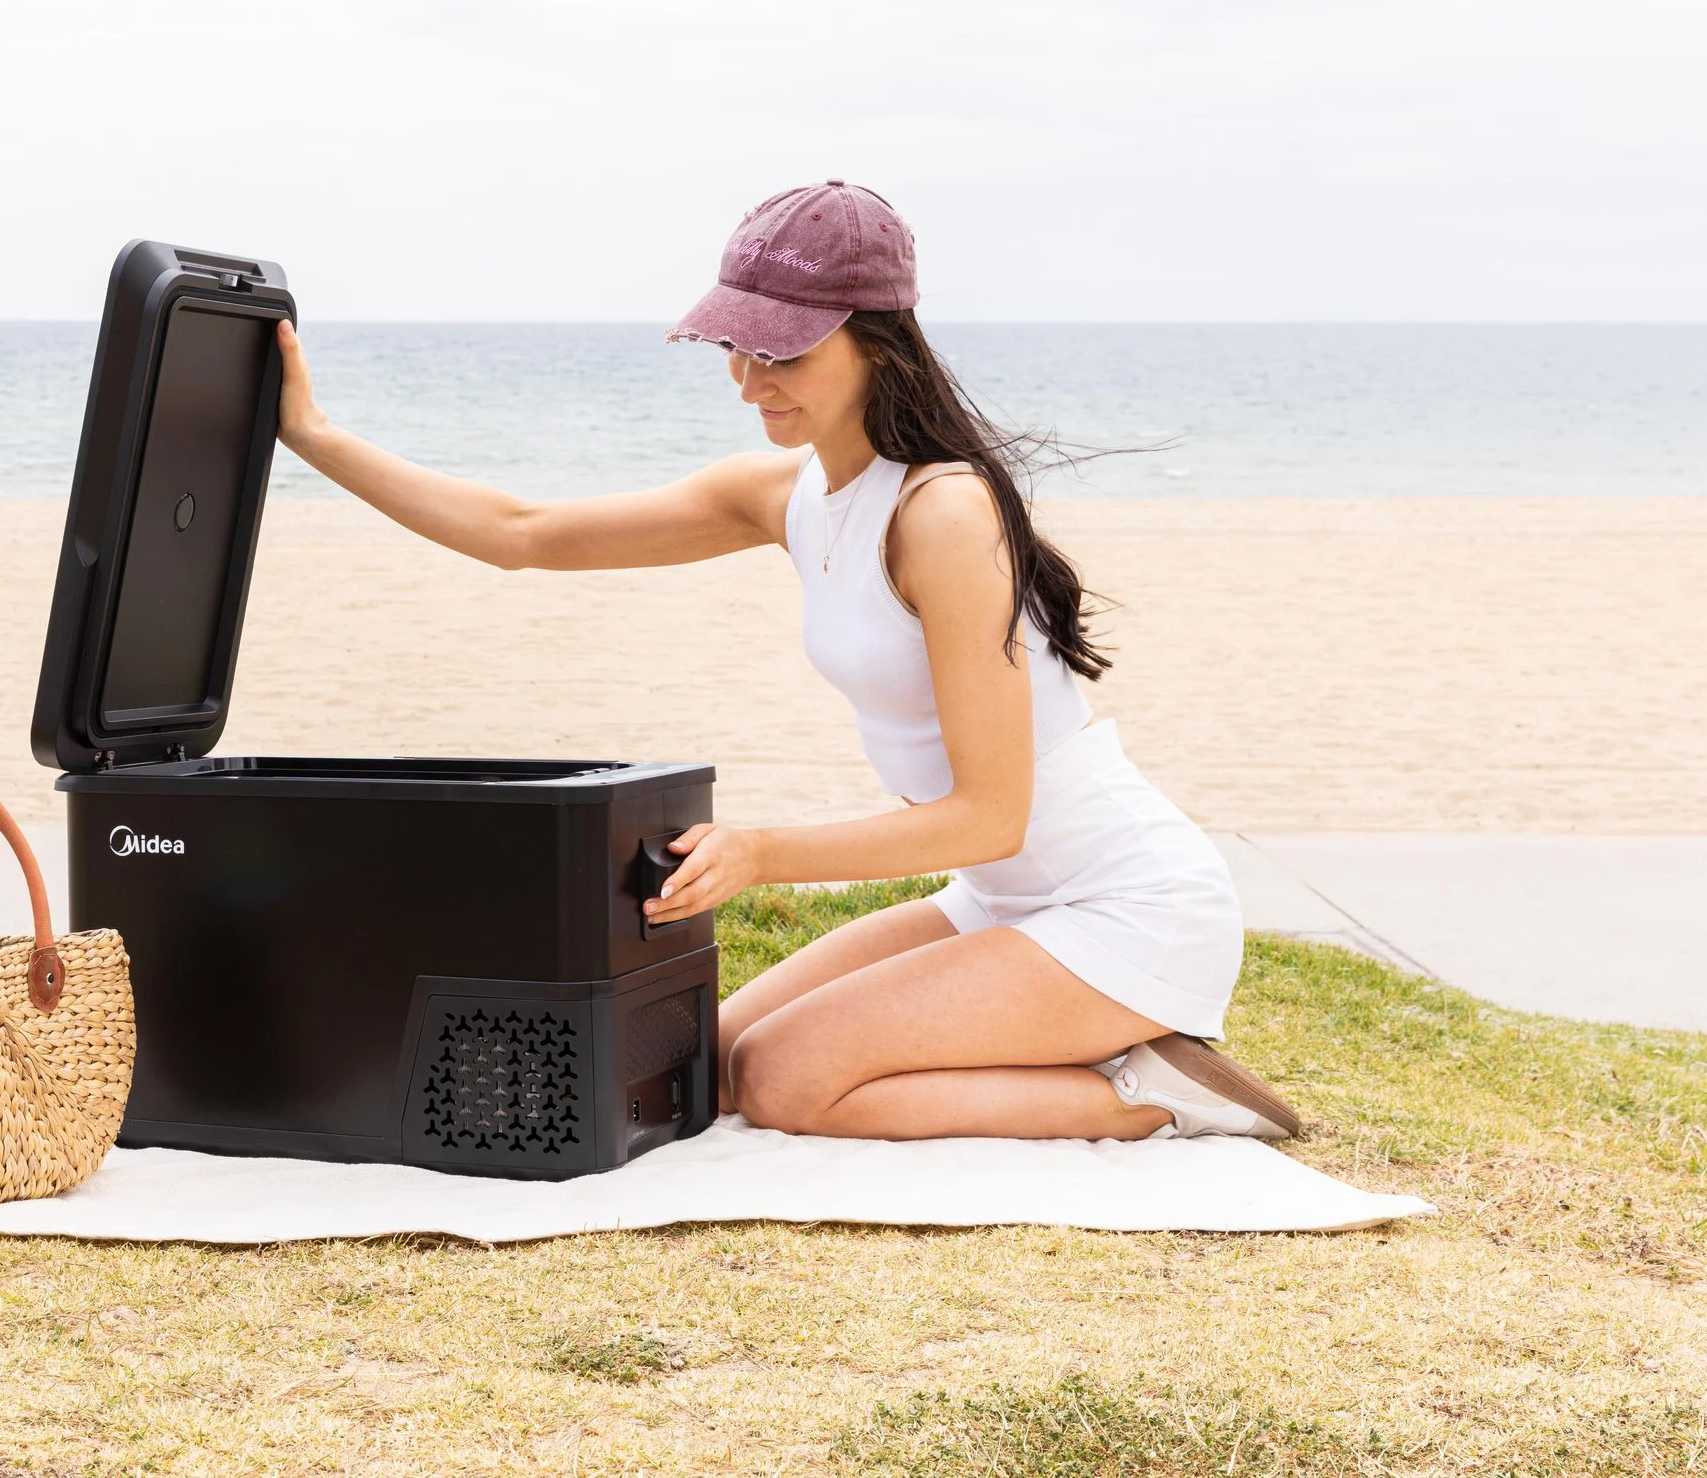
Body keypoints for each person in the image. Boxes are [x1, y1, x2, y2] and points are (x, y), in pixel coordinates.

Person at [272, 180, 1298, 1144]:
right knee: (698, 1065)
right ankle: (1104, 1052)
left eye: (786, 355)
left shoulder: (940, 511)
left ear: (880, 348)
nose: (751, 381)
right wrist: (311, 436)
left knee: (786, 1082)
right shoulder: (783, 494)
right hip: (1000, 899)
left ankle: (1152, 1094)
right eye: (736, 346)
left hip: (1123, 906)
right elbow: (523, 531)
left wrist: (760, 852)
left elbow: (992, 815)